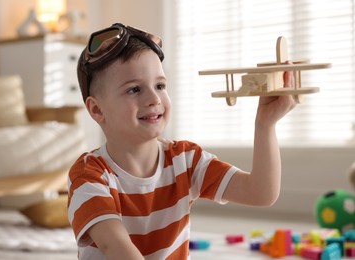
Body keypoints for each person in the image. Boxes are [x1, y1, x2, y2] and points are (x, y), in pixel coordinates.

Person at [68, 23, 296, 260]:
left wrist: (265, 125)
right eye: (134, 89)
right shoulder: (88, 175)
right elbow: (115, 248)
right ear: (97, 110)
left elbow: (261, 193)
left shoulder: (185, 159)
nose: (154, 98)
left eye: (160, 85)